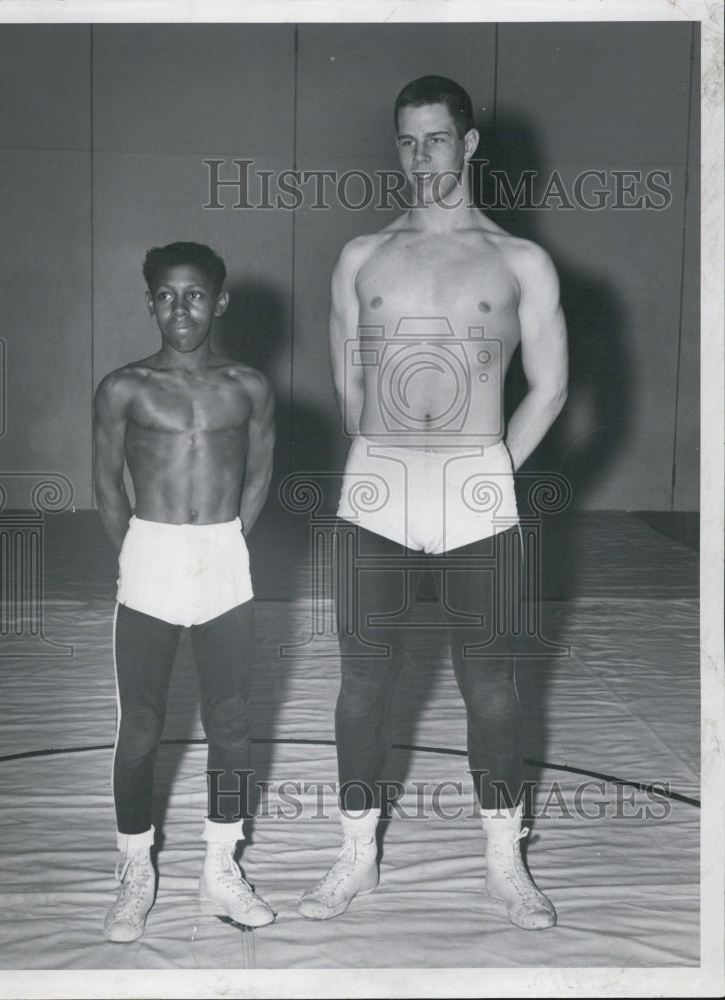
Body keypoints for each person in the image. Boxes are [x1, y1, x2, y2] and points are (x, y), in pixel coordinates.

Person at [297, 76, 568, 930]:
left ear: (471, 144)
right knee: (361, 683)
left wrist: (490, 471)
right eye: (408, 142)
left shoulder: (520, 261)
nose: (422, 159)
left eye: (438, 140)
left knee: (490, 683)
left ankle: (503, 860)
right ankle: (355, 854)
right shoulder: (359, 255)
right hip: (377, 488)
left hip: (475, 490)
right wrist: (383, 453)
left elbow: (552, 387)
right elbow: (348, 377)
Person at [93, 241, 276, 942]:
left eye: (194, 294)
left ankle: (221, 868)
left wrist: (225, 543)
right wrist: (142, 552)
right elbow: (107, 484)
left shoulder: (249, 387)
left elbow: (259, 475)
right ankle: (135, 866)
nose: (180, 308)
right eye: (165, 295)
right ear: (149, 302)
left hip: (224, 555)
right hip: (151, 554)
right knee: (140, 727)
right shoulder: (124, 387)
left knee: (230, 722)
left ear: (220, 301)